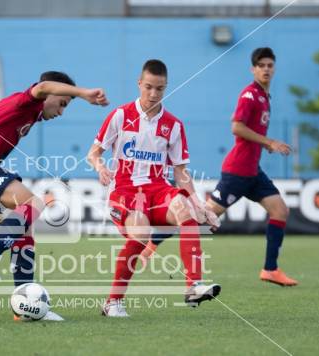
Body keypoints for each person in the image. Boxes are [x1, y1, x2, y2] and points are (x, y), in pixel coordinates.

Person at [0, 71, 108, 320]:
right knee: (33, 203)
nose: (61, 112)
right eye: (62, 104)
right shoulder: (26, 101)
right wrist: (84, 92)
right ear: (53, 94)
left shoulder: (24, 112)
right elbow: (44, 85)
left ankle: (24, 307)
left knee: (22, 228)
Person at [143, 48, 298, 287]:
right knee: (198, 218)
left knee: (280, 211)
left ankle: (270, 269)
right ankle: (150, 246)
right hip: (237, 171)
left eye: (270, 65)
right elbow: (236, 126)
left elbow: (250, 132)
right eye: (261, 65)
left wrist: (262, 145)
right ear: (253, 69)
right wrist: (269, 142)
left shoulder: (265, 96)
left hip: (253, 171)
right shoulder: (249, 95)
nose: (266, 69)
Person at [87, 59, 221, 318]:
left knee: (186, 212)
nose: (153, 94)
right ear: (139, 84)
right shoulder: (120, 116)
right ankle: (113, 302)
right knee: (140, 232)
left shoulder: (173, 125)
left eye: (159, 88)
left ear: (166, 87)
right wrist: (100, 167)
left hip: (158, 189)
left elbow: (181, 172)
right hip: (124, 192)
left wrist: (199, 203)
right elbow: (93, 153)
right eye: (148, 87)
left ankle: (193, 286)